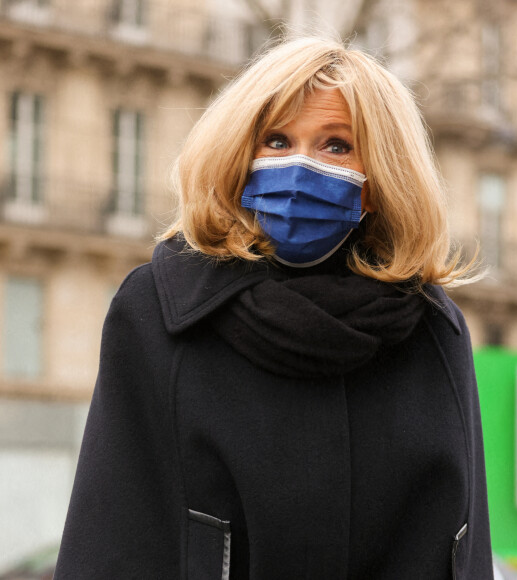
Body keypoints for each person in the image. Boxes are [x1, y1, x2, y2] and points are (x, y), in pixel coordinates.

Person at [54, 36, 494, 579]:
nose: (300, 167)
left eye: (336, 145)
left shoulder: (433, 330)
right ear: (242, 159)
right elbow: (110, 539)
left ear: (380, 179)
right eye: (278, 140)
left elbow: (461, 549)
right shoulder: (156, 314)